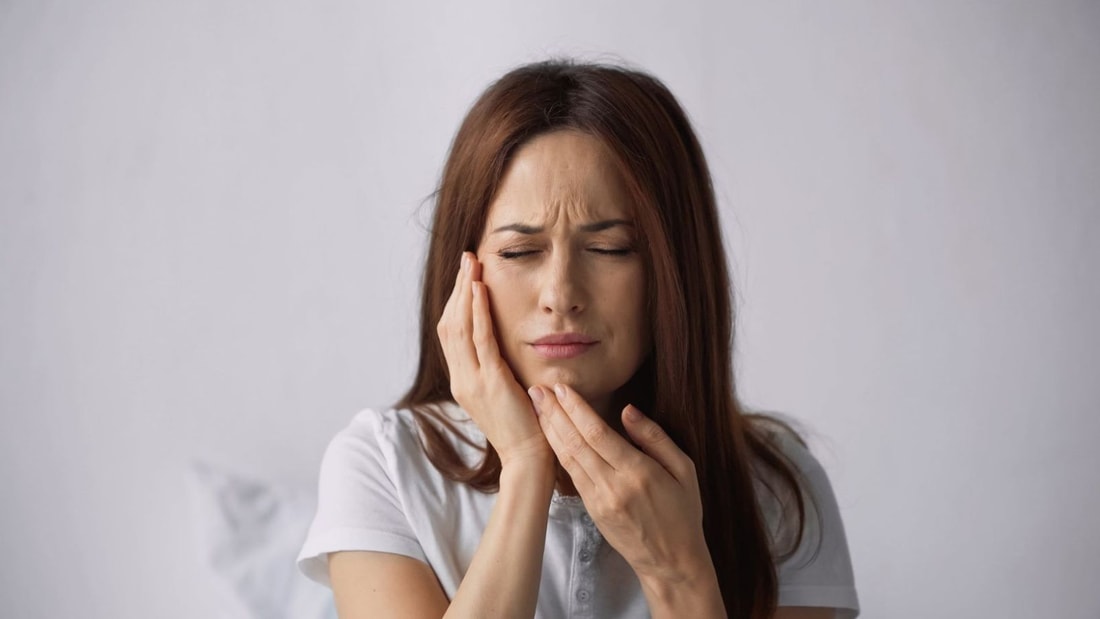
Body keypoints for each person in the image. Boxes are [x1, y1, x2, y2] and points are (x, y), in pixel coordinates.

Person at [297, 59, 860, 619]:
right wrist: (525, 466)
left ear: (674, 269)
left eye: (610, 248)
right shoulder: (384, 464)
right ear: (465, 271)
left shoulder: (776, 487)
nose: (560, 294)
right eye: (520, 252)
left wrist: (679, 573)